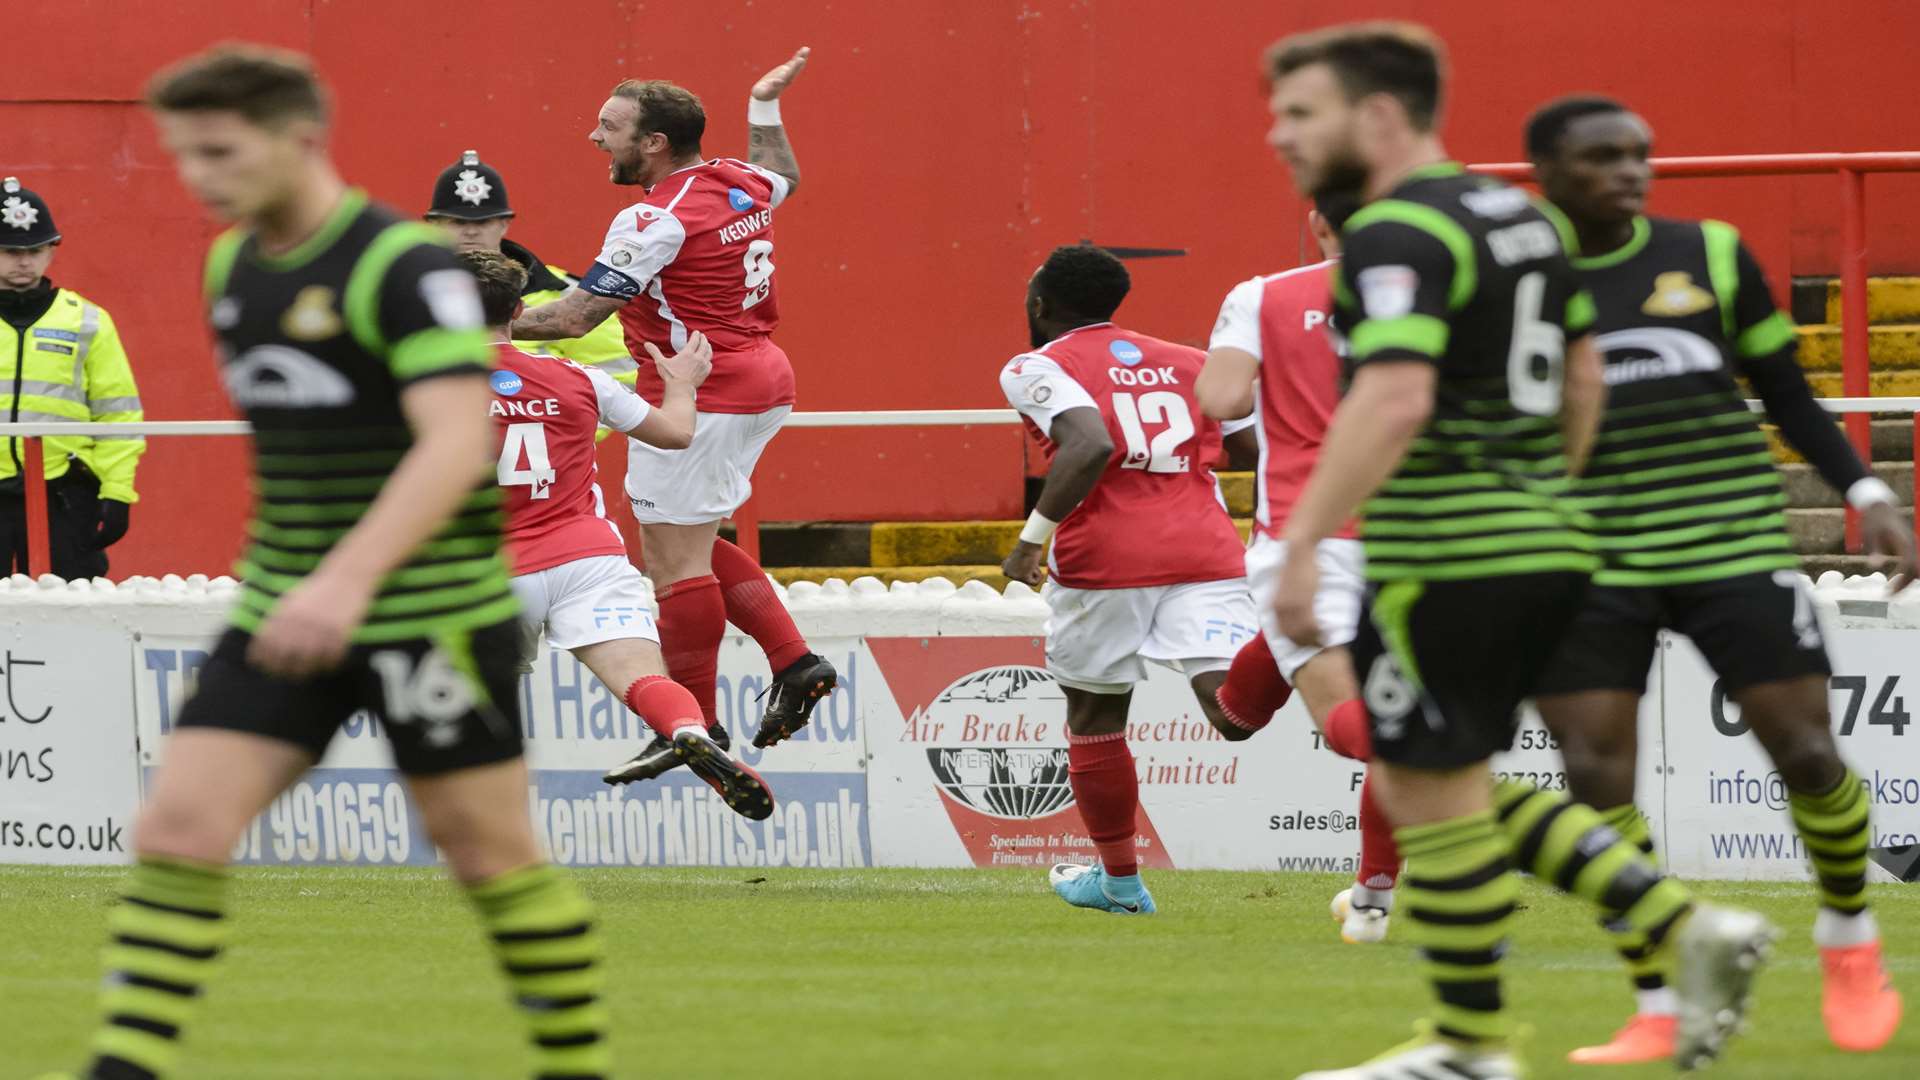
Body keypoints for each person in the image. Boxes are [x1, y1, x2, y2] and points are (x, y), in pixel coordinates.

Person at [49, 45, 611, 1080]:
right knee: (177, 825)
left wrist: (348, 580)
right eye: (186, 155)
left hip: (428, 610)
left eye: (220, 151)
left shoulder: (401, 267)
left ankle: (574, 1066)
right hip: (288, 606)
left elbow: (454, 444)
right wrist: (296, 578)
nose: (200, 177)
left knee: (489, 858)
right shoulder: (234, 265)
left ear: (300, 141)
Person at [1262, 24, 1772, 1079]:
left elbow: (1394, 393)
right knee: (1433, 778)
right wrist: (1549, 498)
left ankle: (1627, 954)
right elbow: (1584, 374)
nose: (1281, 135)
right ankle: (1480, 1037)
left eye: (1302, 113)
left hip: (1442, 549)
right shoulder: (1522, 219)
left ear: (1381, 115)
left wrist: (1305, 540)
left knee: (1424, 776)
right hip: (1545, 538)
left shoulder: (1395, 234)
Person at [1525, 95, 1913, 1064]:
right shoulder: (1511, 284)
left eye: (1640, 155)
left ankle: (1848, 938)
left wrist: (1868, 492)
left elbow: (1786, 393)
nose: (1629, 172)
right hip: (1583, 556)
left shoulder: (1711, 253)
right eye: (1602, 158)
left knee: (1808, 751)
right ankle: (1659, 995)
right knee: (1593, 777)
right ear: (1547, 172)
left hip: (1729, 542)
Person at [511, 49, 840, 784]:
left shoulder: (651, 218)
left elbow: (574, 316)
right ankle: (794, 661)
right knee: (679, 541)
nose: (596, 138)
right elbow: (783, 172)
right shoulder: (738, 180)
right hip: (761, 376)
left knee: (673, 562)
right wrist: (763, 105)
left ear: (653, 144)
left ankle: (699, 723)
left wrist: (466, 319)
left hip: (702, 387)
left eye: (610, 127)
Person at [996, 243, 1261, 916]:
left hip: (1105, 563)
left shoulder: (1036, 366)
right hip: (1205, 552)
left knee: (1095, 716)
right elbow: (1256, 449)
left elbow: (1089, 442)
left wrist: (1030, 542)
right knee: (1231, 713)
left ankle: (1119, 884)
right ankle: (1311, 661)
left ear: (1040, 304)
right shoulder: (1193, 361)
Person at [460, 249, 772, 817]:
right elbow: (676, 434)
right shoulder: (576, 376)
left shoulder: (422, 389)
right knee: (640, 677)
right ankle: (688, 728)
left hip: (487, 572)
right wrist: (681, 383)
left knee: (469, 708)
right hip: (588, 559)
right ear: (519, 309)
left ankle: (492, 831)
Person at [1197, 192, 1401, 945]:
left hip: (1308, 535)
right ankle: (1373, 903)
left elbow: (1219, 397)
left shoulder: (1265, 295)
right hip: (1421, 533)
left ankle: (1395, 883)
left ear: (1318, 220)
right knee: (1389, 728)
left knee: (1374, 738)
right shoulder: (1440, 295)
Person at [0, 176, 145, 580]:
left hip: (62, 495)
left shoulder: (87, 321)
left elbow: (118, 414)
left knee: (72, 618)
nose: (24, 262)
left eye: (36, 249)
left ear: (51, 251)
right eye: (10, 251)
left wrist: (117, 492)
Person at [424, 151, 633, 384]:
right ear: (434, 224)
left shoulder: (570, 295)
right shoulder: (403, 292)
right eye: (458, 222)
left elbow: (620, 378)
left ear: (504, 224)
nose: (471, 231)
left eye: (483, 221)